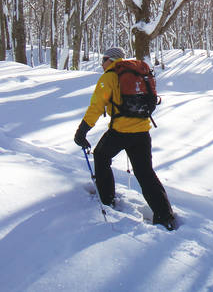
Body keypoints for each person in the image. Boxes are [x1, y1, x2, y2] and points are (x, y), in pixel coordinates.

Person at [74, 47, 176, 231]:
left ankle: (106, 199)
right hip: (143, 132)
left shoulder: (110, 77)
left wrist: (82, 131)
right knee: (145, 173)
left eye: (103, 60)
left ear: (110, 60)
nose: (101, 64)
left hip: (120, 132)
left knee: (101, 156)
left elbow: (96, 107)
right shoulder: (138, 72)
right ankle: (165, 215)